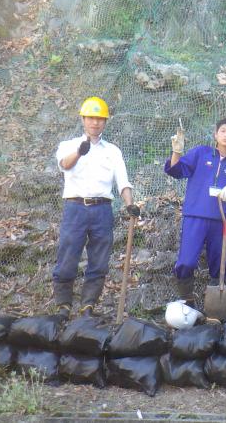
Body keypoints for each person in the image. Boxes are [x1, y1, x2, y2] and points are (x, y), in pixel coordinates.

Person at [52, 96, 139, 319]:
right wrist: (80, 152)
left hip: (102, 210)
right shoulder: (69, 145)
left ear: (105, 122)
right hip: (75, 207)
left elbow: (123, 181)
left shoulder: (113, 151)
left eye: (100, 119)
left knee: (99, 258)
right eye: (91, 118)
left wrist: (130, 205)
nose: (95, 123)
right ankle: (63, 305)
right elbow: (64, 165)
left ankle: (88, 305)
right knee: (68, 254)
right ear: (83, 119)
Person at [164, 117, 226, 312]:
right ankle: (187, 300)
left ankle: (217, 308)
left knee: (220, 265)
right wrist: (177, 151)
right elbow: (176, 170)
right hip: (195, 216)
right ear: (216, 134)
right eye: (223, 130)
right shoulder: (201, 153)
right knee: (186, 261)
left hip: (221, 221)